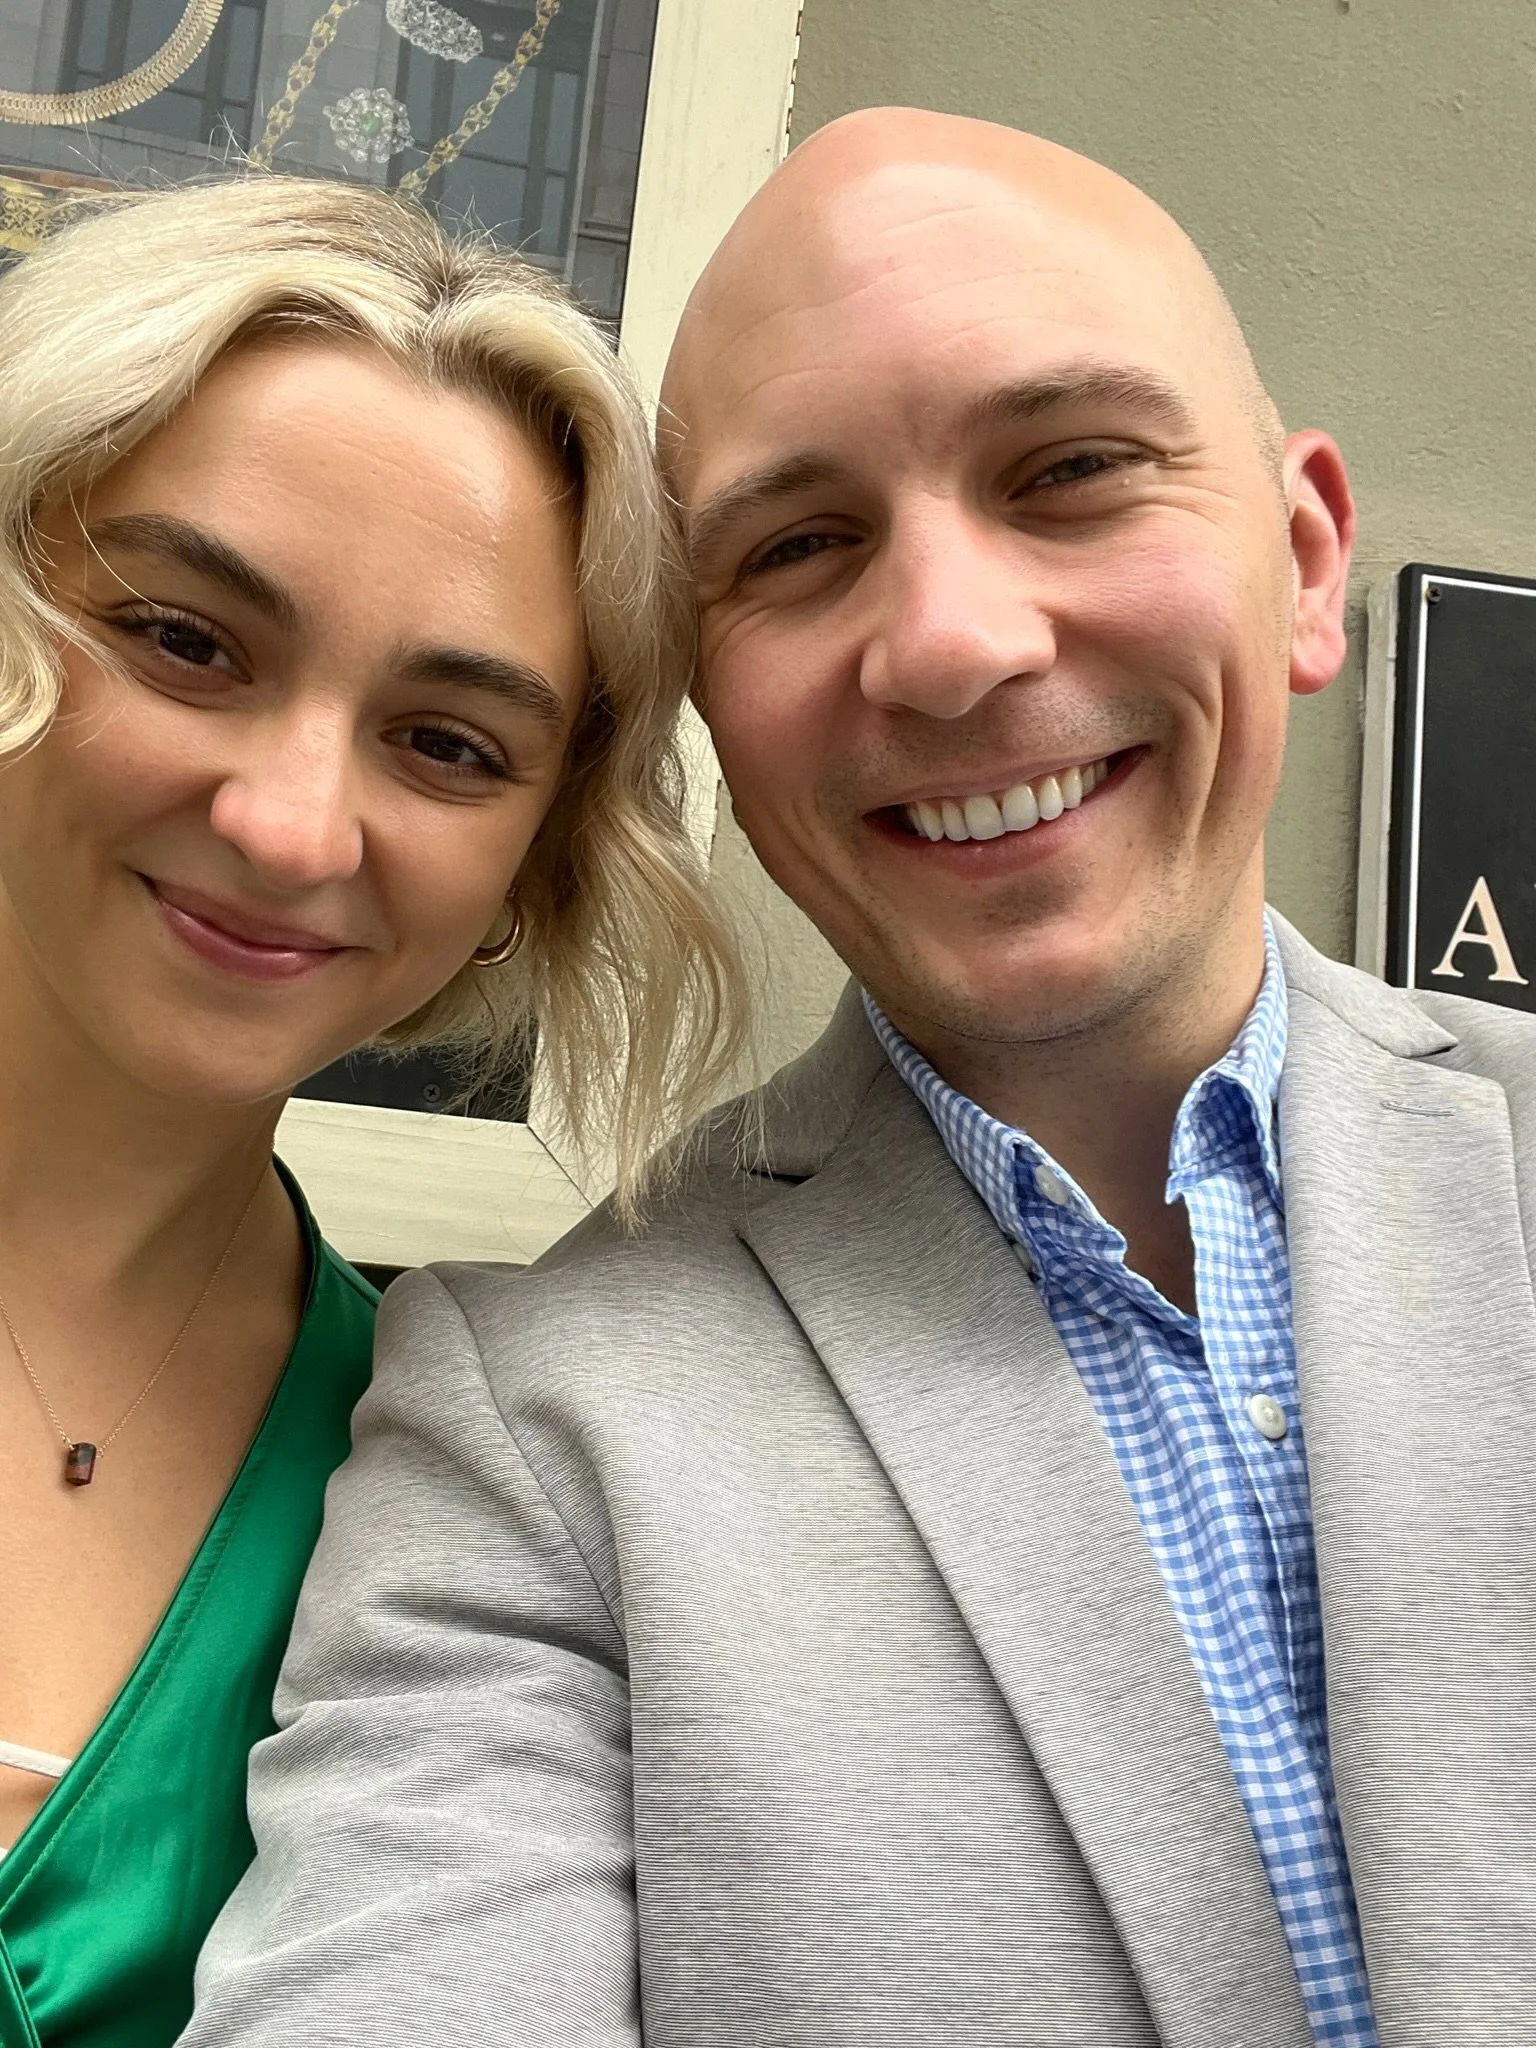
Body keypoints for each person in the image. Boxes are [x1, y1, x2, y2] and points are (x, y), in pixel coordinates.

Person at [182, 110, 1536, 2048]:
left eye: (1072, 472)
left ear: (1306, 559)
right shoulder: (534, 1424)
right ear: (709, 700)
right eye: (799, 545)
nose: (955, 644)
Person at [0, 173, 741, 2048]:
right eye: (184, 638)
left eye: (445, 745)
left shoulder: (462, 1494)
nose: (291, 825)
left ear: (539, 863)